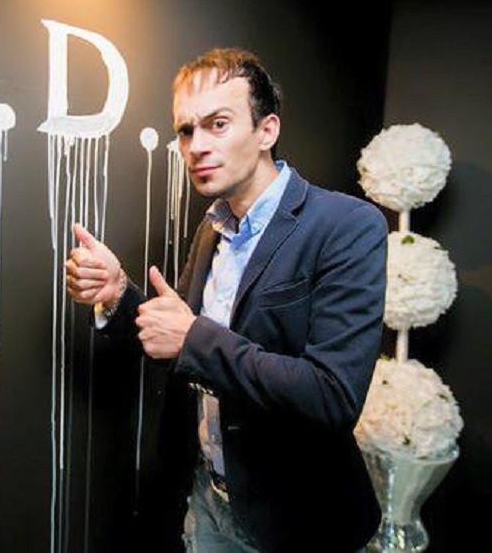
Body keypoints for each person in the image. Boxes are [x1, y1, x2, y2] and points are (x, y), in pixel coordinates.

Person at [65, 48, 386, 552]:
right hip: (209, 500)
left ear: (267, 130)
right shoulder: (212, 229)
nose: (196, 146)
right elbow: (179, 341)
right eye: (185, 131)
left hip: (298, 521)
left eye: (218, 124)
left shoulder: (346, 226)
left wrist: (193, 337)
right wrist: (118, 294)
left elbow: (332, 395)